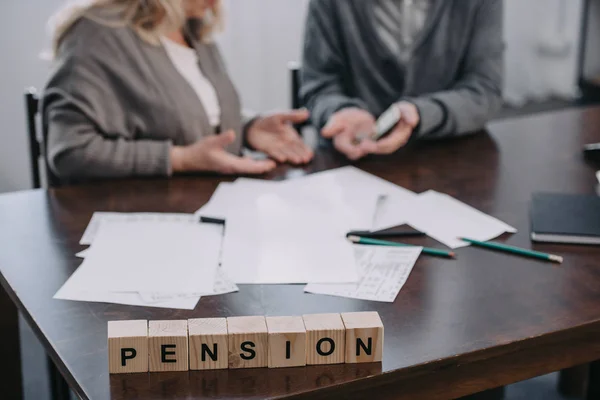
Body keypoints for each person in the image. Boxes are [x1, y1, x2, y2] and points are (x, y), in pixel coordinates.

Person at [43, 0, 313, 181]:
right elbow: (70, 151)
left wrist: (248, 128)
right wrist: (180, 160)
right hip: (135, 218)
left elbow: (188, 116)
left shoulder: (191, 29)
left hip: (209, 207)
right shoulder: (96, 33)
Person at [300, 0, 504, 160]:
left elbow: (485, 90)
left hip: (449, 161)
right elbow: (319, 84)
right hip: (354, 163)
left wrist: (422, 114)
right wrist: (340, 111)